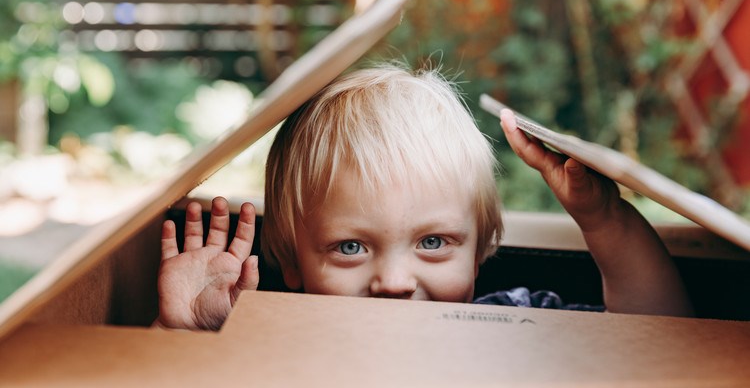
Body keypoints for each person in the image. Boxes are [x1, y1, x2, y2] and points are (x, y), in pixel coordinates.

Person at [154, 65, 693, 331]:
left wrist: (606, 219)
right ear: (292, 262)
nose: (394, 283)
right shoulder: (268, 343)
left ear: (479, 251)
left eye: (433, 242)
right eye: (349, 248)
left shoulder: (514, 327)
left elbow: (656, 337)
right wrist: (185, 330)